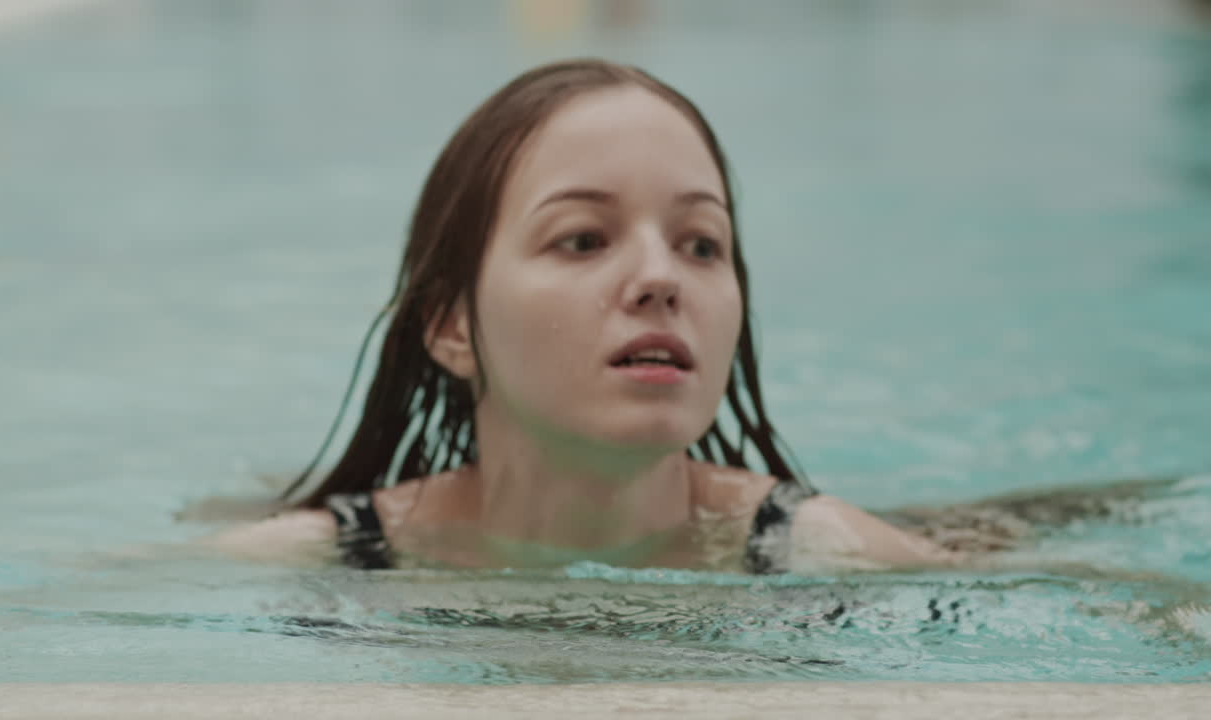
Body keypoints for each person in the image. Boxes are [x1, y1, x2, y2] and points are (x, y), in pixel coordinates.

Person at [204, 58, 965, 574]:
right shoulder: (321, 559)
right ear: (451, 327)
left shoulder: (827, 550)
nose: (662, 279)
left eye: (702, 244)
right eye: (583, 239)